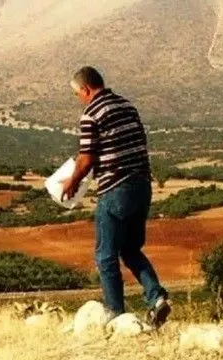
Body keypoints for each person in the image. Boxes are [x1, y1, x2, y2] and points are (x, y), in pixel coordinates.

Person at [62, 66, 172, 327]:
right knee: (131, 249)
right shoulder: (127, 105)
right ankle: (156, 298)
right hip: (142, 186)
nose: (79, 99)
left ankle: (115, 315)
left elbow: (86, 158)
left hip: (116, 190)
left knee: (105, 256)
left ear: (86, 89)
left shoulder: (91, 114)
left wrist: (71, 182)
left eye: (78, 94)